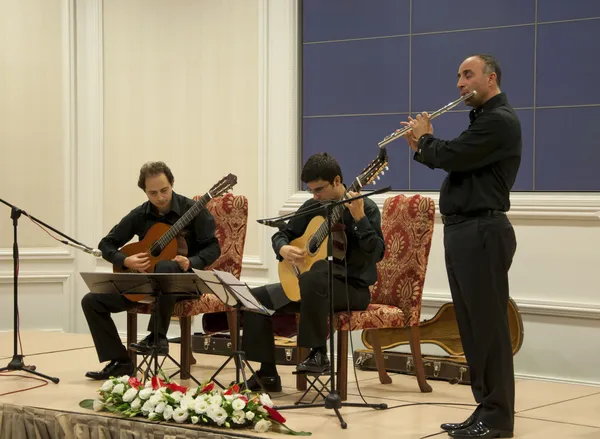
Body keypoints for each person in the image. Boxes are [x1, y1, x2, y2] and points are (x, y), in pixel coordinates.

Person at [402, 54, 520, 439]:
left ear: (491, 78)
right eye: (457, 76)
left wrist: (425, 140)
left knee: (489, 329)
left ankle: (499, 418)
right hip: (465, 231)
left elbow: (455, 155)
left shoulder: (500, 122)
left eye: (467, 75)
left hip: (483, 230)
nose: (459, 83)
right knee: (472, 328)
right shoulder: (483, 121)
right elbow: (455, 157)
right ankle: (485, 408)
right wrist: (424, 145)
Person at [241, 152, 385, 392]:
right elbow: (282, 234)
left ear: (337, 181)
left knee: (316, 274)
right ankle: (267, 374)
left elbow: (377, 253)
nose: (315, 196)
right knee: (254, 299)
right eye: (311, 191)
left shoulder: (365, 208)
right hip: (312, 288)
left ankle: (318, 353)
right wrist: (283, 248)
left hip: (351, 290)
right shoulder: (312, 206)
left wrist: (359, 218)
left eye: (319, 189)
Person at [82, 161, 220, 380]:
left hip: (183, 284)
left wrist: (191, 261)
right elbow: (106, 244)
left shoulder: (193, 211)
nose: (160, 197)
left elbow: (213, 248)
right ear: (145, 191)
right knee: (91, 300)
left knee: (166, 266)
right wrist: (126, 261)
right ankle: (120, 361)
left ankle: (157, 337)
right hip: (144, 285)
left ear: (172, 183)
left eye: (164, 190)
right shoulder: (140, 214)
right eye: (153, 193)